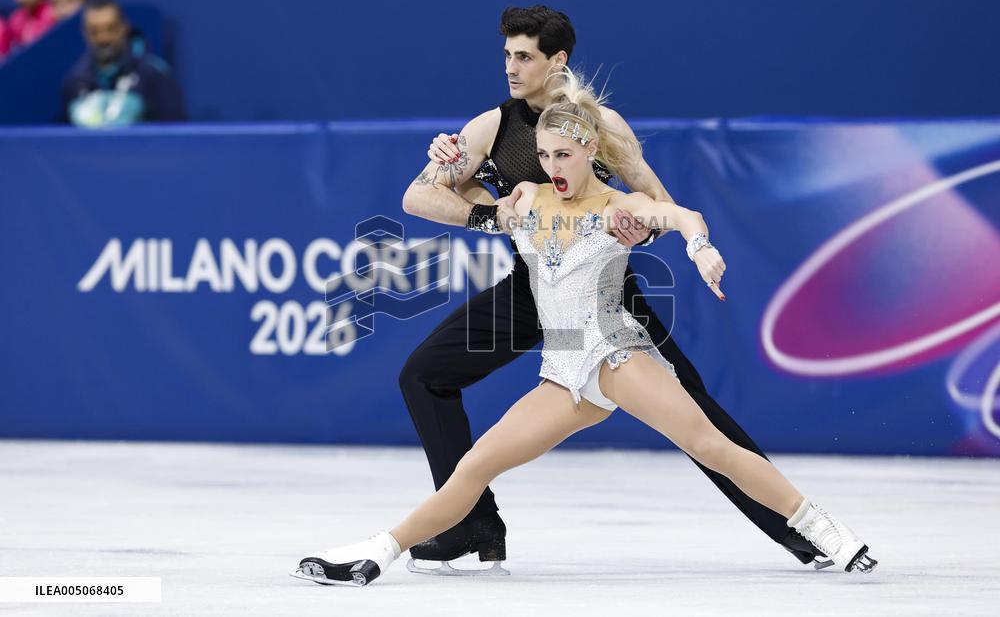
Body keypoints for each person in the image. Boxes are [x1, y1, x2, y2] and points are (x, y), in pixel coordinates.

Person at [290, 70, 877, 586]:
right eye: (544, 156)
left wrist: (700, 248)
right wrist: (445, 159)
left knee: (708, 444)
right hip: (563, 368)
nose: (552, 167)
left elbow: (676, 213)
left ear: (590, 148)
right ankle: (377, 553)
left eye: (563, 156)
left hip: (617, 355)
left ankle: (828, 532)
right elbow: (440, 194)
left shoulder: (615, 208)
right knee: (474, 467)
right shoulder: (524, 198)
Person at [392, 5, 823, 575]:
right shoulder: (489, 128)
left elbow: (656, 201)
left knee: (696, 413)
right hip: (532, 290)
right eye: (507, 56)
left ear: (557, 60)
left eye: (524, 56)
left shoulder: (603, 127)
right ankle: (469, 523)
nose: (511, 68)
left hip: (602, 296)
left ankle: (798, 529)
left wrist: (640, 228)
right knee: (423, 375)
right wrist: (489, 211)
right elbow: (417, 197)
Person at [62, 0, 186, 127]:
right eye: (94, 31)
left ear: (125, 27)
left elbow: (174, 134)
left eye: (111, 28)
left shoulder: (154, 74)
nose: (103, 38)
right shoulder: (74, 81)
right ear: (84, 33)